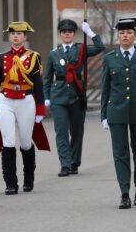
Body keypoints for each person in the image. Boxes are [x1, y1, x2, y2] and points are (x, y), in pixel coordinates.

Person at [100, 18, 136, 209]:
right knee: (120, 153)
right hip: (116, 111)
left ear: (135, 35)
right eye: (122, 33)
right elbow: (105, 88)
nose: (125, 36)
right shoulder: (110, 58)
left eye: (129, 32)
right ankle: (124, 193)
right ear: (118, 36)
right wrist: (104, 116)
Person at [43, 18, 104, 177]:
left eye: (70, 32)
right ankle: (65, 164)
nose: (67, 34)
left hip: (76, 94)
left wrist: (89, 32)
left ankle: (74, 161)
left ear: (74, 33)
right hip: (59, 96)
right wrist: (46, 97)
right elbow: (48, 78)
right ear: (60, 34)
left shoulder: (81, 49)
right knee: (61, 131)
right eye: (64, 32)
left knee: (77, 131)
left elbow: (100, 47)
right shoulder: (54, 54)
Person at [0, 21, 46, 195]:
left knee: (25, 141)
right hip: (5, 100)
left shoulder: (34, 57)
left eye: (19, 33)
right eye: (12, 33)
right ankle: (10, 183)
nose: (15, 36)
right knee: (8, 141)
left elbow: (38, 84)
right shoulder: (1, 58)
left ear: (25, 36)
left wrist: (40, 108)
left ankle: (28, 179)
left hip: (26, 100)